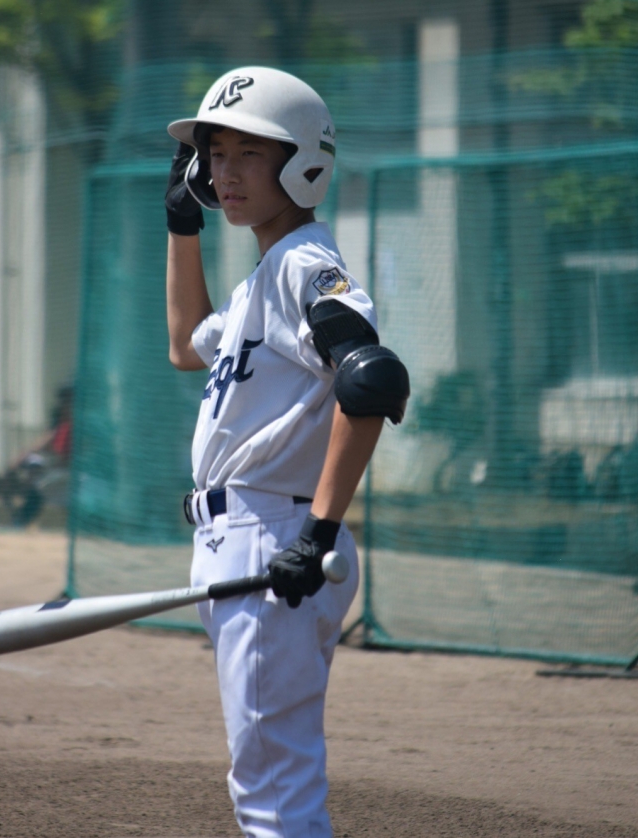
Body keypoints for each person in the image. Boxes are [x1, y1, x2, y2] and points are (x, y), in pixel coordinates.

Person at [165, 67, 409, 838]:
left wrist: (318, 532)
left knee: (274, 797)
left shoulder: (302, 262)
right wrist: (182, 228)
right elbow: (185, 346)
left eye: (249, 153)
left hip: (275, 536)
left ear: (303, 164)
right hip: (248, 536)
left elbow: (370, 377)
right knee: (268, 784)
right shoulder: (262, 279)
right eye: (215, 155)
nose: (223, 173)